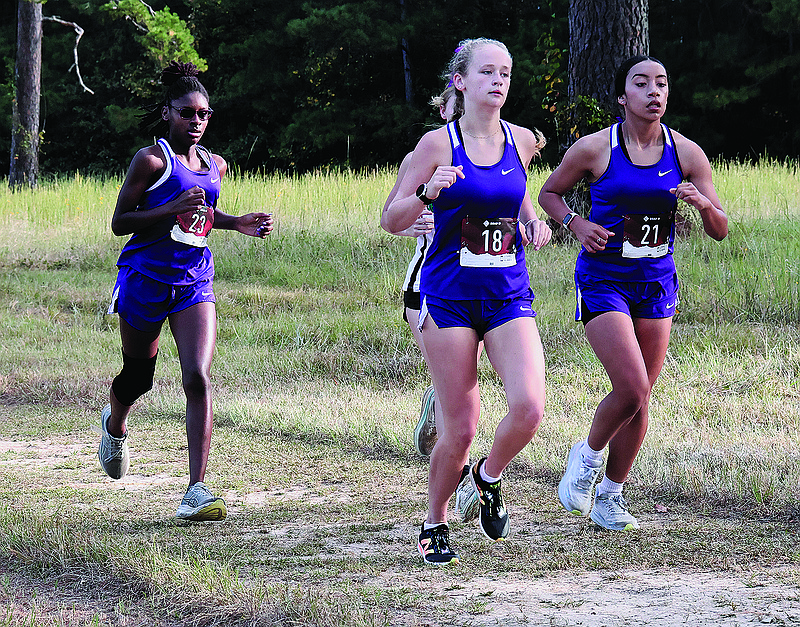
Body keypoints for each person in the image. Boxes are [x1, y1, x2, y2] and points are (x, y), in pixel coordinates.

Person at [538, 56, 728, 531]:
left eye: (661, 83)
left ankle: (610, 497)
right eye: (640, 83)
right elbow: (550, 194)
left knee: (641, 399)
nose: (653, 91)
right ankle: (583, 461)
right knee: (632, 386)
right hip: (604, 278)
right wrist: (575, 224)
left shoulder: (686, 153)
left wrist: (704, 204)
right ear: (623, 96)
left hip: (657, 281)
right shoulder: (595, 148)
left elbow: (720, 229)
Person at [384, 38, 552, 564]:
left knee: (529, 407)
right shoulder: (438, 144)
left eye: (505, 71)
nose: (499, 80)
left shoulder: (521, 140)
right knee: (461, 425)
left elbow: (516, 196)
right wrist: (429, 192)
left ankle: (487, 475)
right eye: (487, 71)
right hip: (449, 298)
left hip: (507, 293)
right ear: (462, 81)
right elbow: (391, 219)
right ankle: (434, 521)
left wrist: (534, 222)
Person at [97, 61, 274, 521]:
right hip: (145, 279)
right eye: (187, 113)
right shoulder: (151, 160)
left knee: (197, 375)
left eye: (204, 114)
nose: (196, 121)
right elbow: (120, 223)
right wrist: (170, 204)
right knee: (139, 378)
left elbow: (201, 217)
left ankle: (195, 488)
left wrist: (238, 223)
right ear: (167, 113)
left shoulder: (215, 164)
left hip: (194, 280)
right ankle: (115, 423)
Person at [381, 84, 480, 524]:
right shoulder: (422, 156)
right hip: (426, 288)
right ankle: (461, 494)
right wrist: (417, 221)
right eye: (457, 109)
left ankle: (435, 409)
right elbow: (391, 219)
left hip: (479, 288)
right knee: (460, 400)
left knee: (465, 390)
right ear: (444, 108)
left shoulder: (494, 151)